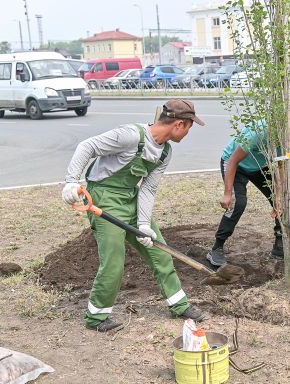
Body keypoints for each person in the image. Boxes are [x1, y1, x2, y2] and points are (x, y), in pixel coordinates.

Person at [61, 99, 208, 332]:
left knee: (159, 252)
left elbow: (148, 189)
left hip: (132, 197)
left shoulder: (164, 153)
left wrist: (143, 224)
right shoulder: (130, 136)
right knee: (114, 262)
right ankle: (96, 317)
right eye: (190, 127)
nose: (188, 132)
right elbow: (86, 146)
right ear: (179, 124)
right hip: (105, 198)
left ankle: (178, 305)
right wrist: (72, 181)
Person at [206, 120, 283, 267]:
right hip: (236, 165)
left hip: (261, 166)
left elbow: (281, 167)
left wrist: (278, 197)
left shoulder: (289, 138)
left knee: (284, 201)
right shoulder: (259, 133)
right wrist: (228, 194)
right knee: (238, 203)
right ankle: (216, 248)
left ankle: (279, 246)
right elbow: (233, 161)